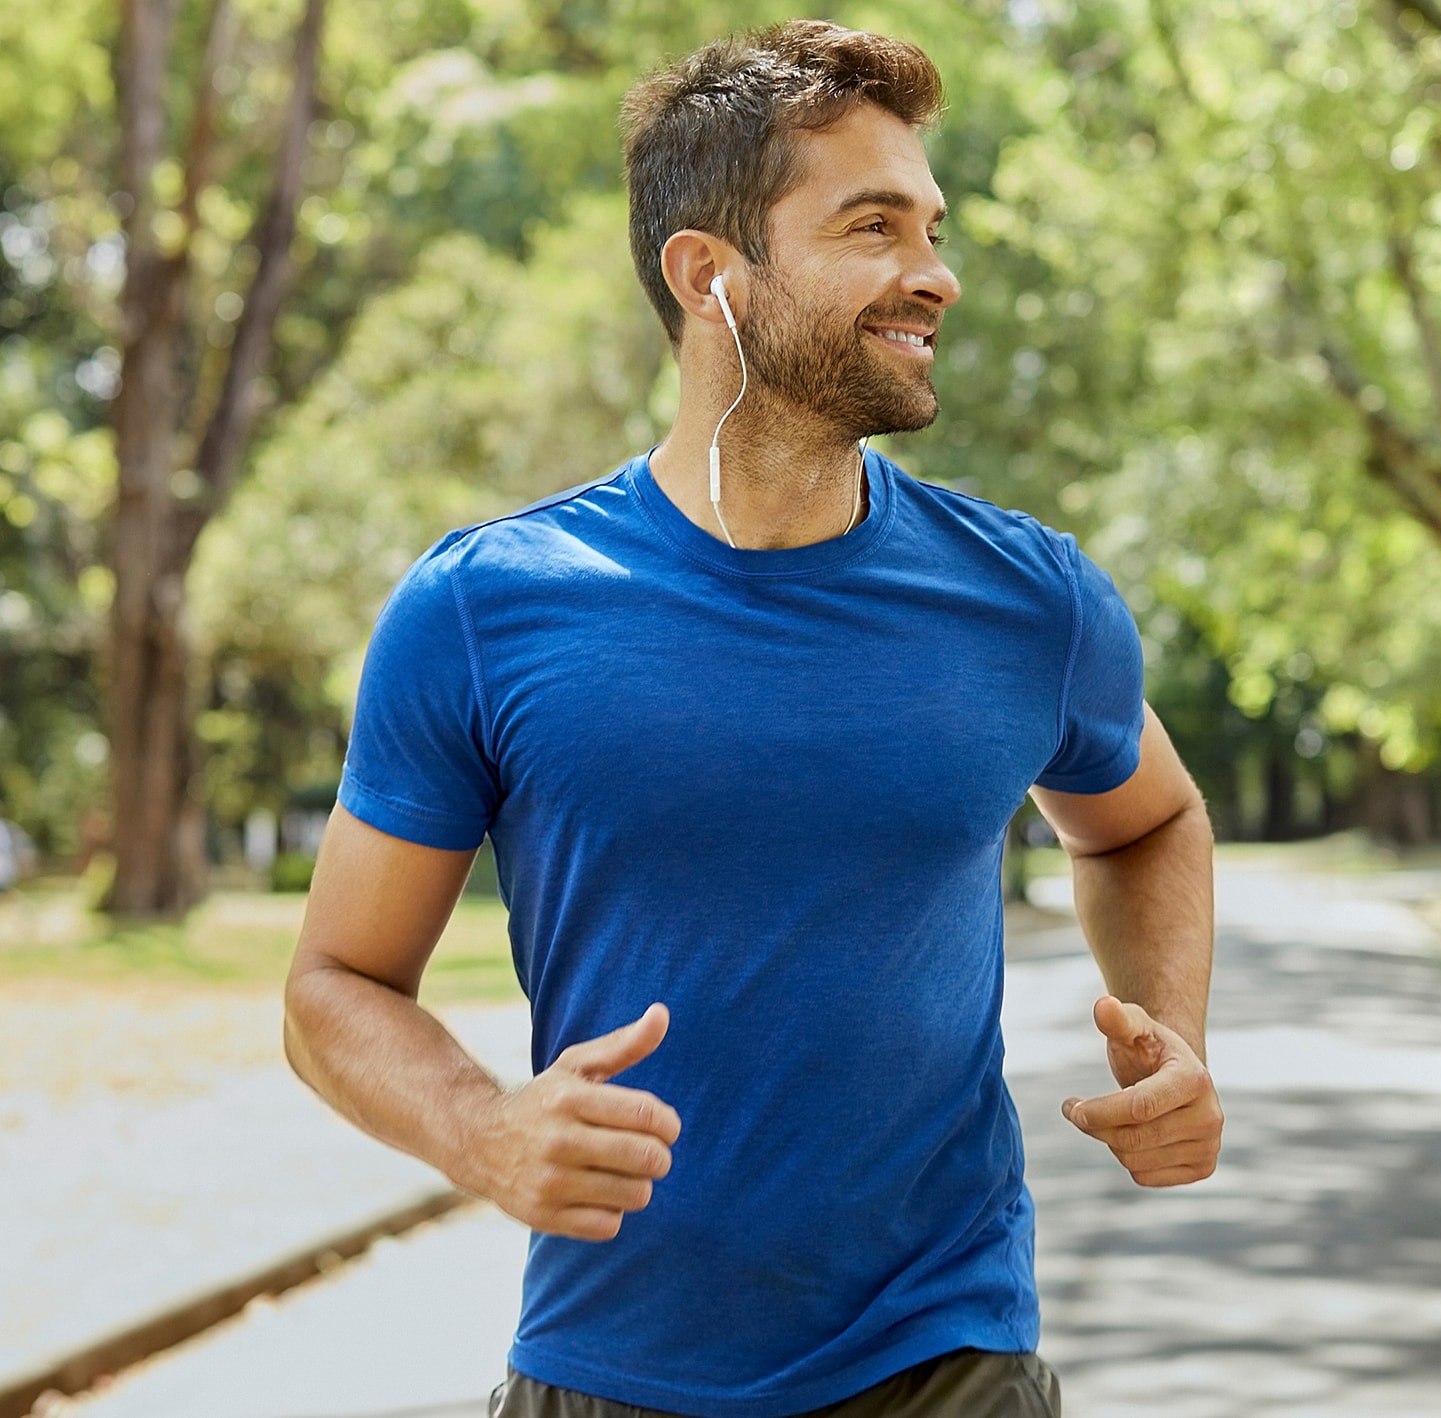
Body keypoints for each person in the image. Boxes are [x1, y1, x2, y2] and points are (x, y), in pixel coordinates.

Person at [281, 21, 1219, 1417]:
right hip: (607, 1367)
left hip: (945, 1355)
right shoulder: (483, 606)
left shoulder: (1029, 599)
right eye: (873, 226)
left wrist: (1173, 1032)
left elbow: (1147, 819)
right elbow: (333, 985)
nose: (936, 274)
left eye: (933, 227)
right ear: (706, 274)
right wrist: (482, 1132)